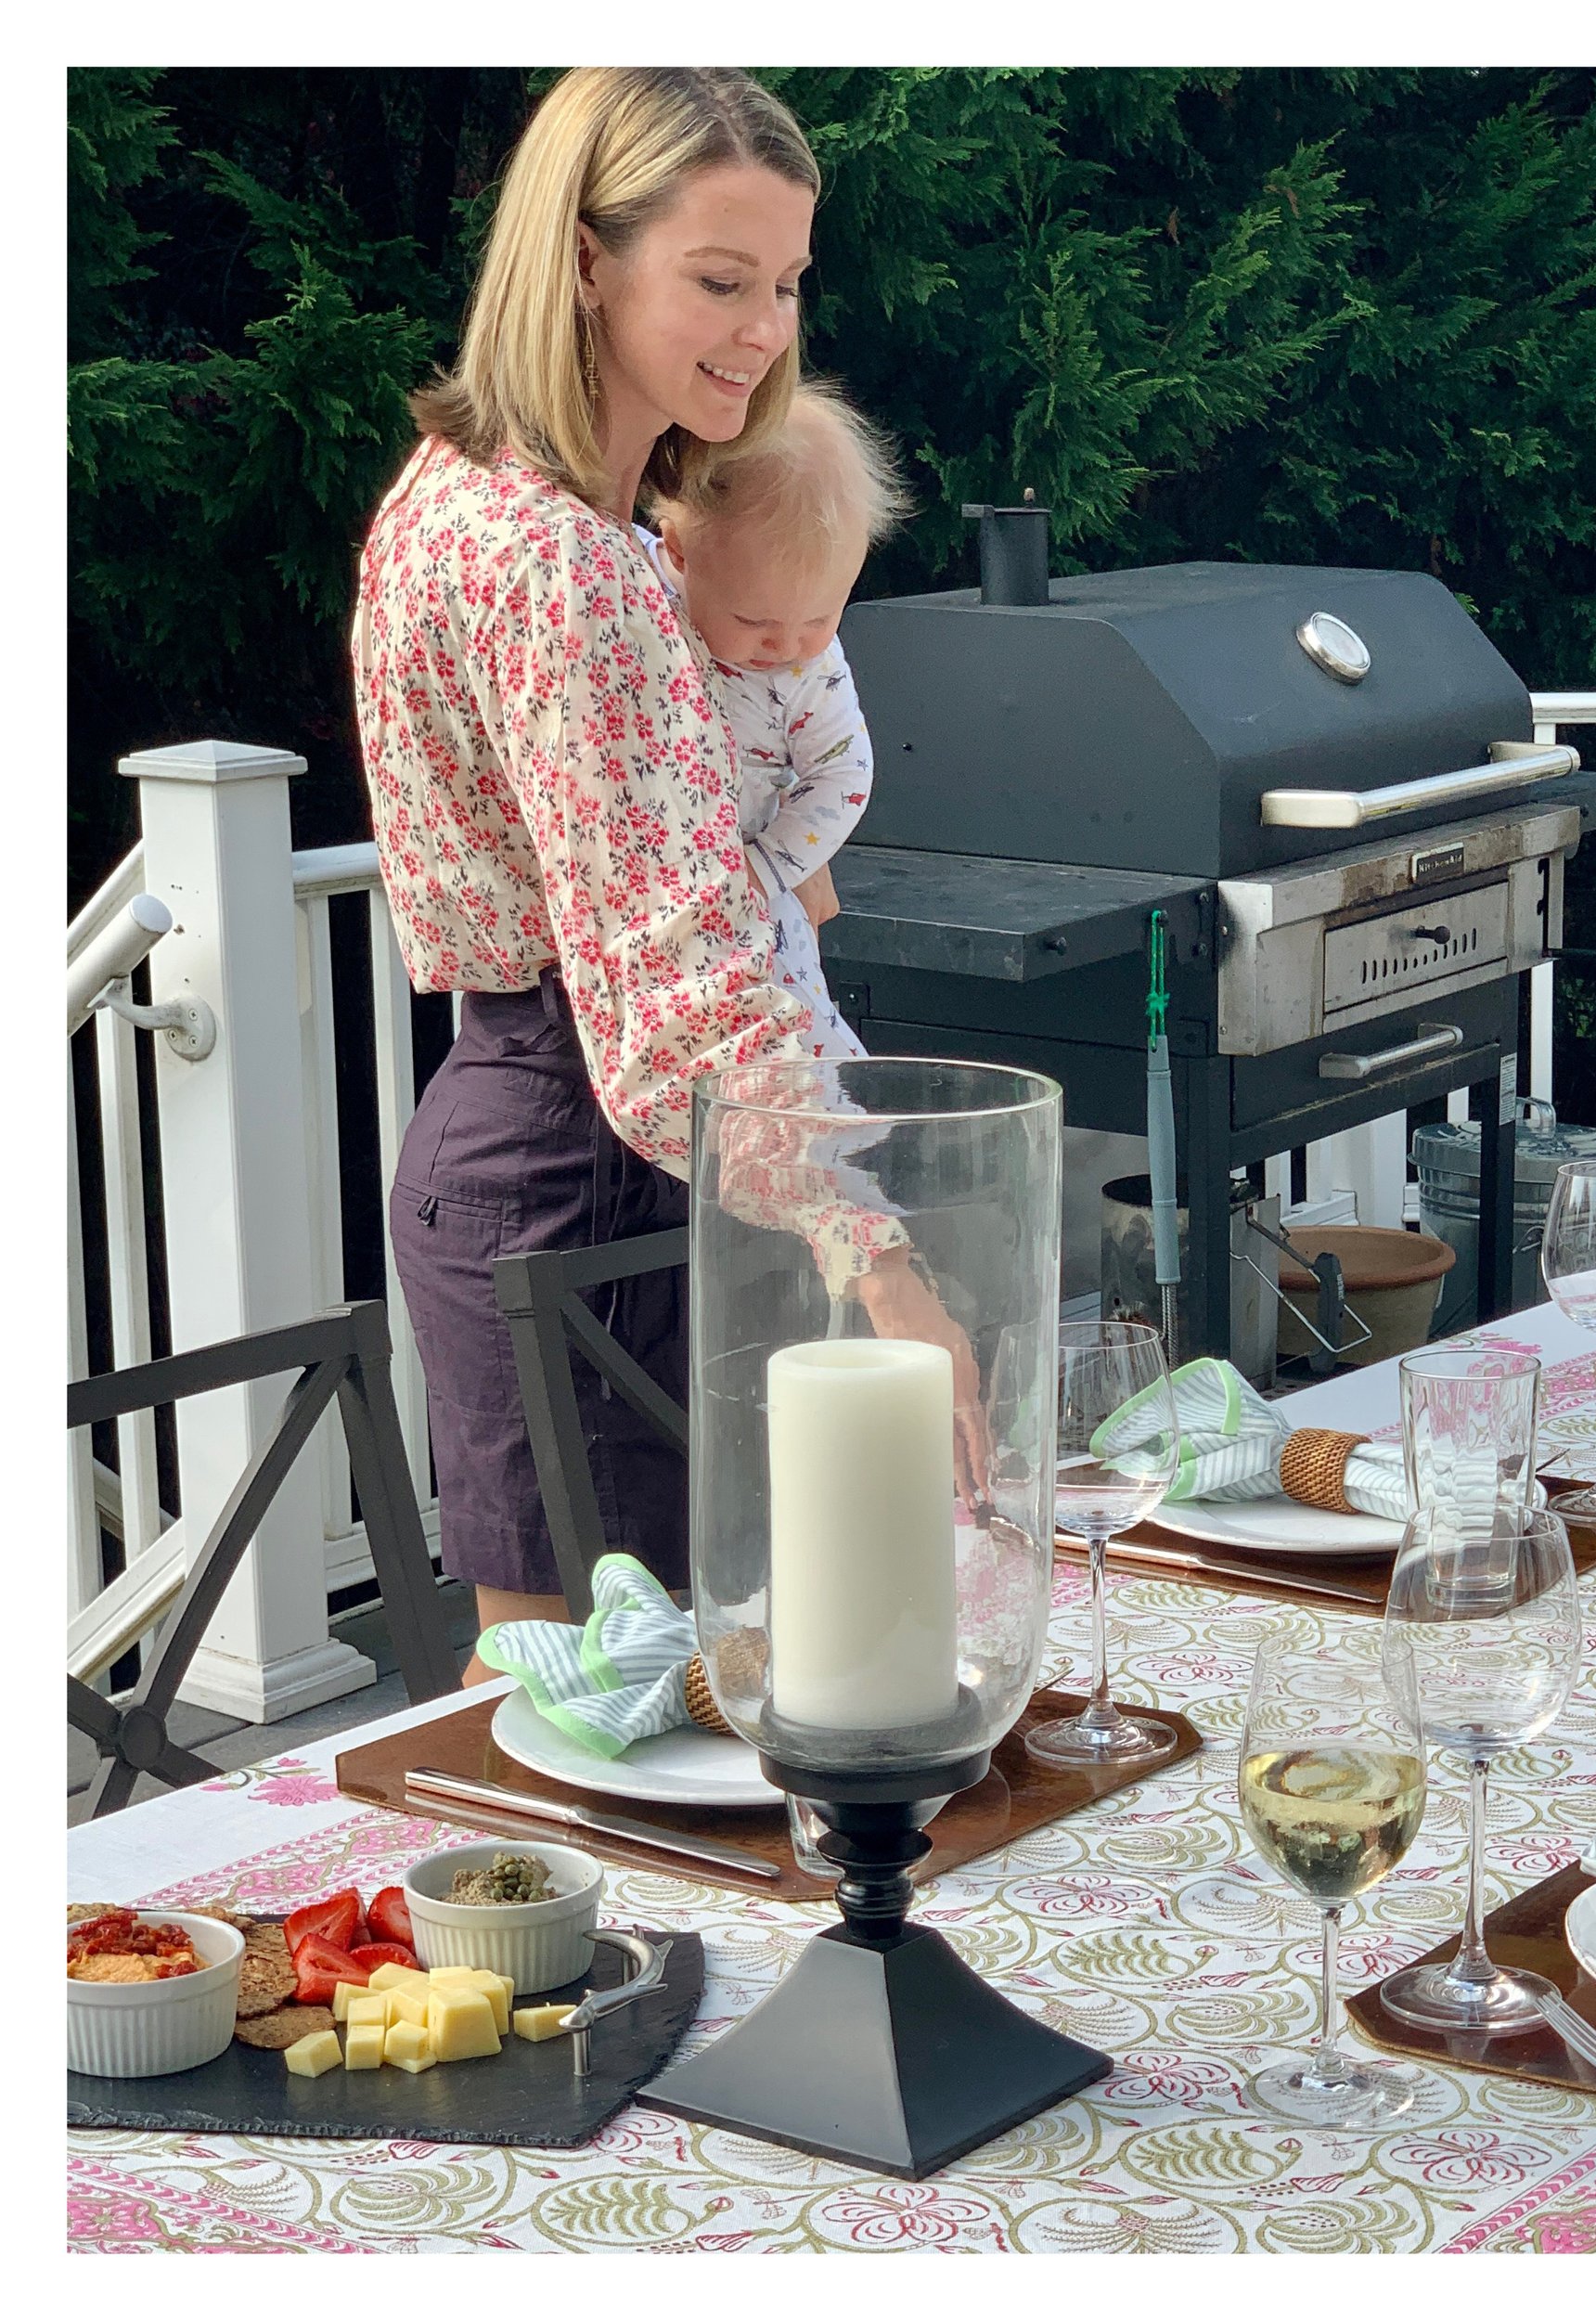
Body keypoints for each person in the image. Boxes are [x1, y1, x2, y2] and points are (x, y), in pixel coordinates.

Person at [350, 68, 972, 1671]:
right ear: (580, 258)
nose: (764, 330)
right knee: (622, 1733)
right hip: (588, 1165)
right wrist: (881, 1260)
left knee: (597, 1718)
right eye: (717, 279)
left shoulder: (463, 501)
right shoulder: (570, 563)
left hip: (527, 1147)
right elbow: (671, 979)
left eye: (783, 284)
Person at [636, 380, 908, 1060]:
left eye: (820, 617)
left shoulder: (811, 669)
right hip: (653, 888)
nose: (785, 647)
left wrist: (769, 865)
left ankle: (839, 1142)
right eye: (755, 622)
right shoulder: (630, 581)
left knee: (794, 1029)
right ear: (677, 552)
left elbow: (843, 771)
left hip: (757, 880)